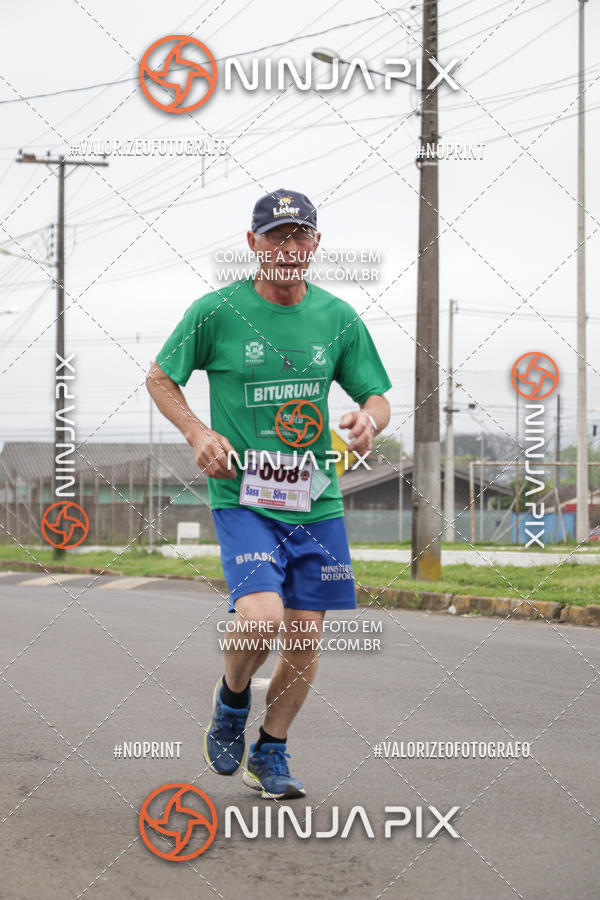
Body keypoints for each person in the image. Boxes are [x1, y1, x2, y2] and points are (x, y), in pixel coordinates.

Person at [146, 188, 391, 799]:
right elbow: (160, 377)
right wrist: (196, 431)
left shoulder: (338, 318)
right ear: (253, 244)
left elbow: (377, 396)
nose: (288, 247)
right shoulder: (217, 312)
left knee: (305, 635)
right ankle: (232, 701)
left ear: (314, 245)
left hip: (317, 500)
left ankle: (271, 750)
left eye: (299, 236)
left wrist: (370, 419)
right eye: (275, 236)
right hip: (244, 496)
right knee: (261, 616)